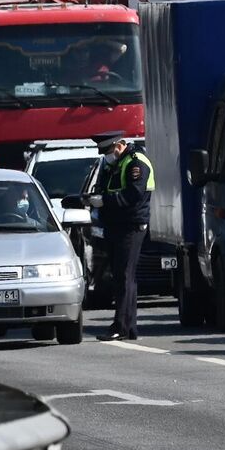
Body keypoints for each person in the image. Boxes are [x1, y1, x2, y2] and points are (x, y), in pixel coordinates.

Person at [84, 132, 154, 341]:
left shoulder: (136, 162)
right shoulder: (111, 164)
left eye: (108, 151)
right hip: (115, 226)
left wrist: (104, 201)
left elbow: (134, 195)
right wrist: (94, 198)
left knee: (124, 275)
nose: (107, 155)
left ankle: (121, 326)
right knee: (122, 276)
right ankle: (129, 326)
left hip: (131, 226)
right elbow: (103, 188)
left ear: (120, 145)